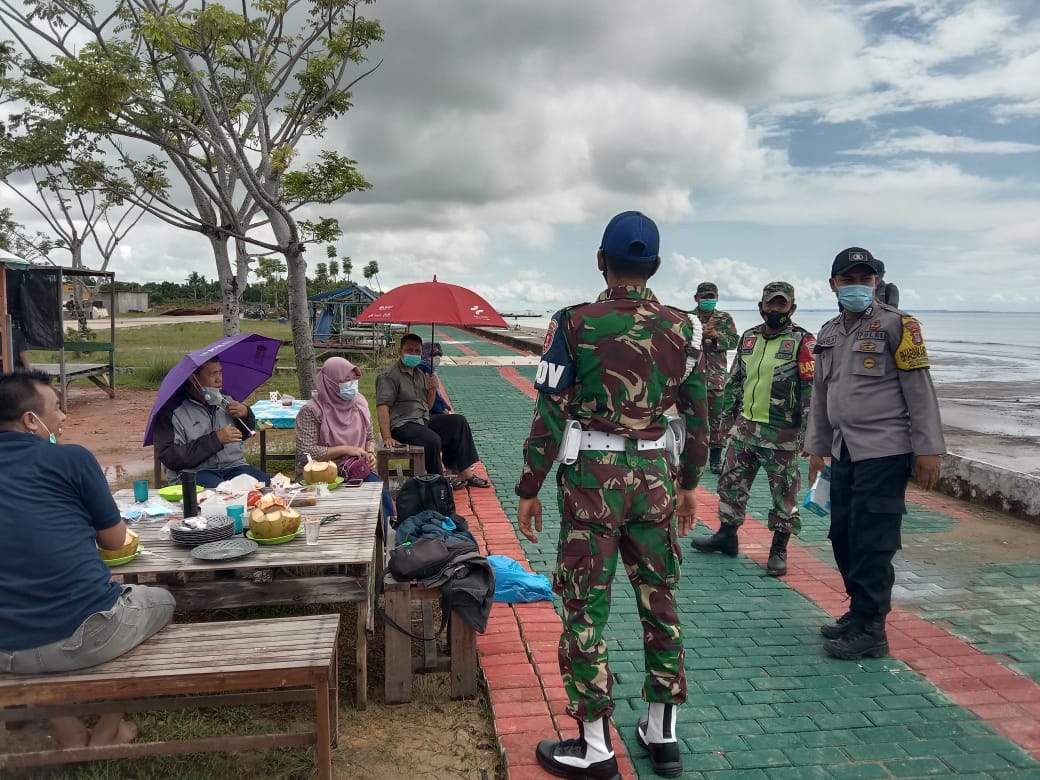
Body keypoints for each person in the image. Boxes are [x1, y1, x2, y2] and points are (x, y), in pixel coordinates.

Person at [515, 211, 708, 779]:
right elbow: (699, 418)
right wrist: (691, 484)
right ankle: (663, 733)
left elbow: (550, 409)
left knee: (584, 608)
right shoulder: (685, 329)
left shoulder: (573, 323)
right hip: (655, 481)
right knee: (660, 602)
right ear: (656, 266)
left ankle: (596, 744)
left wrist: (530, 486)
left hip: (592, 484)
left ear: (601, 260)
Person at [0, 370, 175, 749]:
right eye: (58, 409)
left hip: (5, 648)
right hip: (81, 635)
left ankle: (67, 728)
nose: (63, 418)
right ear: (32, 420)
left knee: (30, 614)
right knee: (162, 600)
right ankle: (109, 728)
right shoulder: (70, 459)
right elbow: (114, 541)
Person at [804, 247, 945, 660]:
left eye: (865, 280)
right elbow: (820, 396)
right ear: (833, 284)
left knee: (873, 540)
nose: (857, 287)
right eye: (848, 279)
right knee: (843, 535)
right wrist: (817, 449)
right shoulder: (828, 332)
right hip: (843, 451)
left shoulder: (899, 326)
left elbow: (920, 391)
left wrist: (928, 448)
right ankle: (857, 610)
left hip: (885, 451)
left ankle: (873, 628)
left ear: (877, 283)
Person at [689, 282, 816, 577]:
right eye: (770, 304)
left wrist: (810, 435)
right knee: (731, 486)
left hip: (782, 433)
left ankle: (779, 549)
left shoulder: (802, 341)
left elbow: (812, 391)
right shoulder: (749, 338)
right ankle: (727, 535)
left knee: (783, 494)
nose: (774, 310)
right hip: (745, 430)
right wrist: (726, 421)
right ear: (761, 307)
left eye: (781, 305)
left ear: (792, 309)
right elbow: (735, 381)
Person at [375, 333, 490, 490]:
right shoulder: (389, 376)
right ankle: (438, 485)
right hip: (403, 424)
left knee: (458, 422)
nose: (414, 354)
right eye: (410, 350)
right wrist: (387, 436)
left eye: (417, 351)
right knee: (432, 440)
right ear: (400, 352)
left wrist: (432, 390)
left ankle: (464, 473)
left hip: (422, 420)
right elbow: (382, 407)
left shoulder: (420, 374)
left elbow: (427, 407)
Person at [294, 357, 395, 522]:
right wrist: (346, 449)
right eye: (346, 381)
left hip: (356, 469)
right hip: (319, 476)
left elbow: (369, 436)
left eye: (354, 379)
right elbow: (306, 453)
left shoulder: (359, 403)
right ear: (331, 383)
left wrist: (369, 453)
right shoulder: (312, 411)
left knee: (379, 496)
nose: (352, 385)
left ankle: (383, 541)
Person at [153, 357, 270, 488]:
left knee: (265, 484)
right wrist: (216, 439)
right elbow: (170, 457)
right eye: (212, 374)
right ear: (193, 379)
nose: (219, 379)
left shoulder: (227, 399)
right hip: (195, 472)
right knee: (222, 492)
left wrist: (246, 415)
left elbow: (243, 434)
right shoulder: (172, 410)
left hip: (234, 466)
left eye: (220, 373)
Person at [691, 282, 738, 474]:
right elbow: (680, 342)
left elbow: (734, 340)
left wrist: (715, 336)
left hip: (717, 379)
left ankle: (716, 460)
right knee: (693, 420)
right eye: (705, 296)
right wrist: (700, 335)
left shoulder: (724, 318)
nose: (709, 300)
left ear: (717, 297)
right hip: (693, 377)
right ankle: (693, 460)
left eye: (712, 297)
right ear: (696, 298)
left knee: (717, 421)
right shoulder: (688, 318)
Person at [419, 341, 453, 414]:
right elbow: (432, 393)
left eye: (439, 354)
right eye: (434, 354)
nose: (437, 357)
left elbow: (437, 394)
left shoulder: (431, 369)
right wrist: (443, 409)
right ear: (426, 353)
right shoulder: (424, 369)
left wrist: (445, 407)